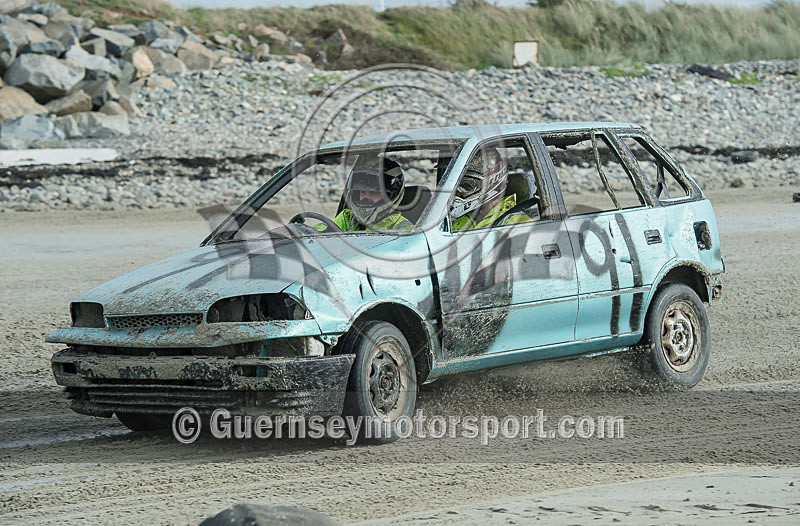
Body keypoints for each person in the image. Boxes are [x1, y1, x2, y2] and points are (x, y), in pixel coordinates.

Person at [319, 157, 414, 232]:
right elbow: (321, 231)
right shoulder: (347, 218)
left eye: (374, 192)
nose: (365, 198)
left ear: (391, 195)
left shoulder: (404, 229)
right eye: (362, 192)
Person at [451, 148, 532, 231]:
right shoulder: (461, 221)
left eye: (466, 187)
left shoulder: (519, 226)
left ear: (491, 184)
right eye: (455, 187)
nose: (457, 193)